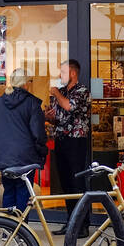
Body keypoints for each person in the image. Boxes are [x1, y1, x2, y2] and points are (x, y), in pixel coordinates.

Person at [0, 68, 47, 209]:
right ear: (25, 83)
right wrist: (42, 152)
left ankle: (8, 228)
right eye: (30, 81)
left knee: (9, 191)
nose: (30, 84)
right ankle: (21, 228)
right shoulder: (32, 103)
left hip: (4, 156)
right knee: (23, 192)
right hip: (25, 157)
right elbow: (38, 133)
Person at [47, 59, 90, 234]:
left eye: (63, 72)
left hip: (76, 140)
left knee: (77, 183)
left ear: (73, 73)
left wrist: (56, 93)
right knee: (65, 183)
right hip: (61, 140)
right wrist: (49, 117)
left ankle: (82, 225)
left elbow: (69, 106)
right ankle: (70, 223)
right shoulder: (63, 92)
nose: (60, 76)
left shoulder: (82, 91)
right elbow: (58, 116)